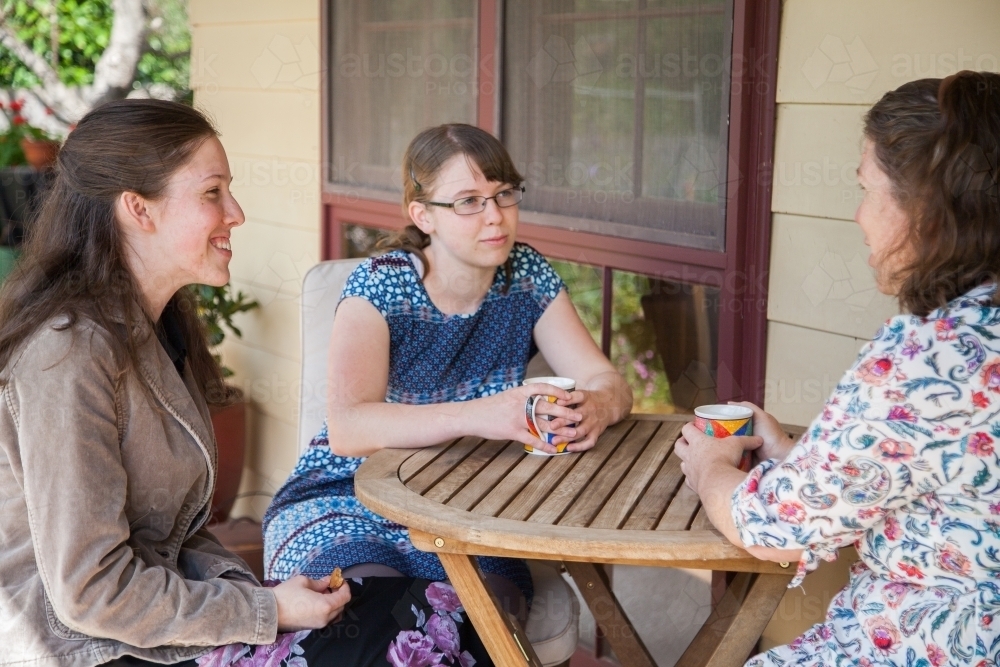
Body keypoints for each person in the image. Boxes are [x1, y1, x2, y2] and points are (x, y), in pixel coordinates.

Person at [0, 100, 494, 667]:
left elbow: (171, 535)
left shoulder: (157, 328)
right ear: (139, 209)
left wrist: (266, 598)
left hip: (164, 623)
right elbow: (91, 595)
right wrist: (264, 609)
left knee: (436, 615)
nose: (235, 212)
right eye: (213, 193)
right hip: (88, 648)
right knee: (402, 648)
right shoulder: (68, 353)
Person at [676, 71, 1000, 666]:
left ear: (926, 210)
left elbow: (769, 530)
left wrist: (709, 467)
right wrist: (792, 455)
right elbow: (916, 479)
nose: (858, 216)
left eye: (868, 189)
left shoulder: (927, 359)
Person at [263, 123, 632, 619]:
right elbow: (349, 429)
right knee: (367, 612)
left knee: (489, 617)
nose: (495, 217)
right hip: (350, 494)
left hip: (472, 501)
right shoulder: (382, 285)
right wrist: (484, 414)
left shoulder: (525, 275)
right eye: (468, 201)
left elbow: (607, 382)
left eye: (504, 195)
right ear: (423, 216)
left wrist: (598, 406)